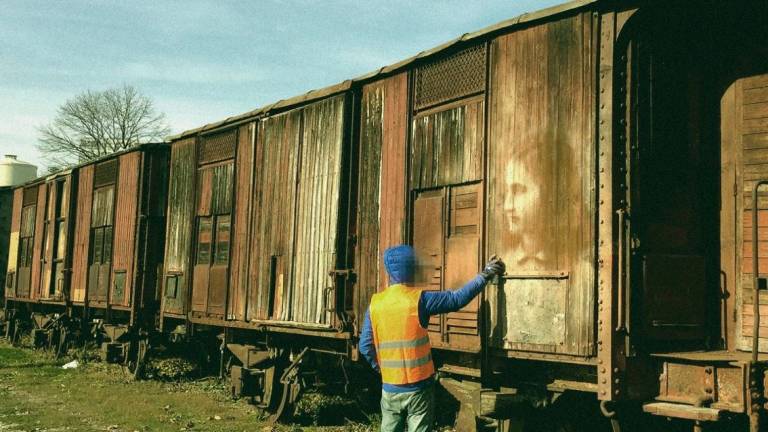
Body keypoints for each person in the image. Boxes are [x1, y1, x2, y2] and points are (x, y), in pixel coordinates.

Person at [359, 245, 506, 432]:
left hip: (390, 388)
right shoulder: (420, 300)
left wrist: (381, 368)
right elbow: (456, 299)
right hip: (419, 388)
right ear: (411, 270)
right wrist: (485, 275)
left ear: (390, 272)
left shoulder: (375, 304)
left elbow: (365, 346)